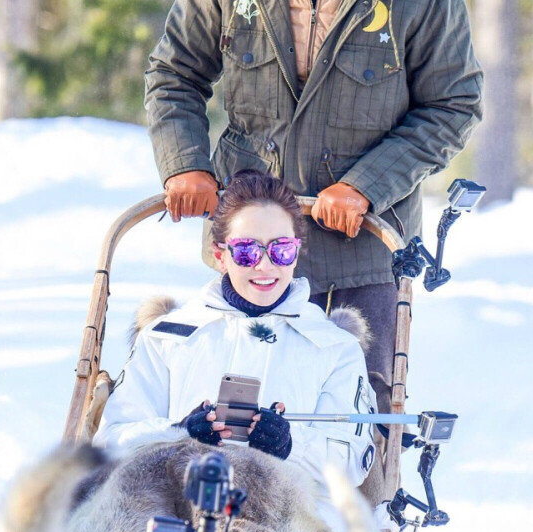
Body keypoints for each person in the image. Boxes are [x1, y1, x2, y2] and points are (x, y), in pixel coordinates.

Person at [144, 0, 483, 418]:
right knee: (233, 416)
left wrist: (367, 186)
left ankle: (356, 517)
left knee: (349, 429)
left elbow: (453, 104)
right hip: (253, 248)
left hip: (361, 253)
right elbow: (174, 73)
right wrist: (185, 163)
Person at [96, 171, 375, 492]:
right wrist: (179, 432)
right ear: (220, 256)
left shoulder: (334, 346)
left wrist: (290, 445)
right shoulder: (168, 336)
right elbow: (110, 442)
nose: (265, 265)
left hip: (286, 518)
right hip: (176, 507)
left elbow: (352, 464)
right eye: (246, 251)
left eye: (281, 250)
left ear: (296, 253)